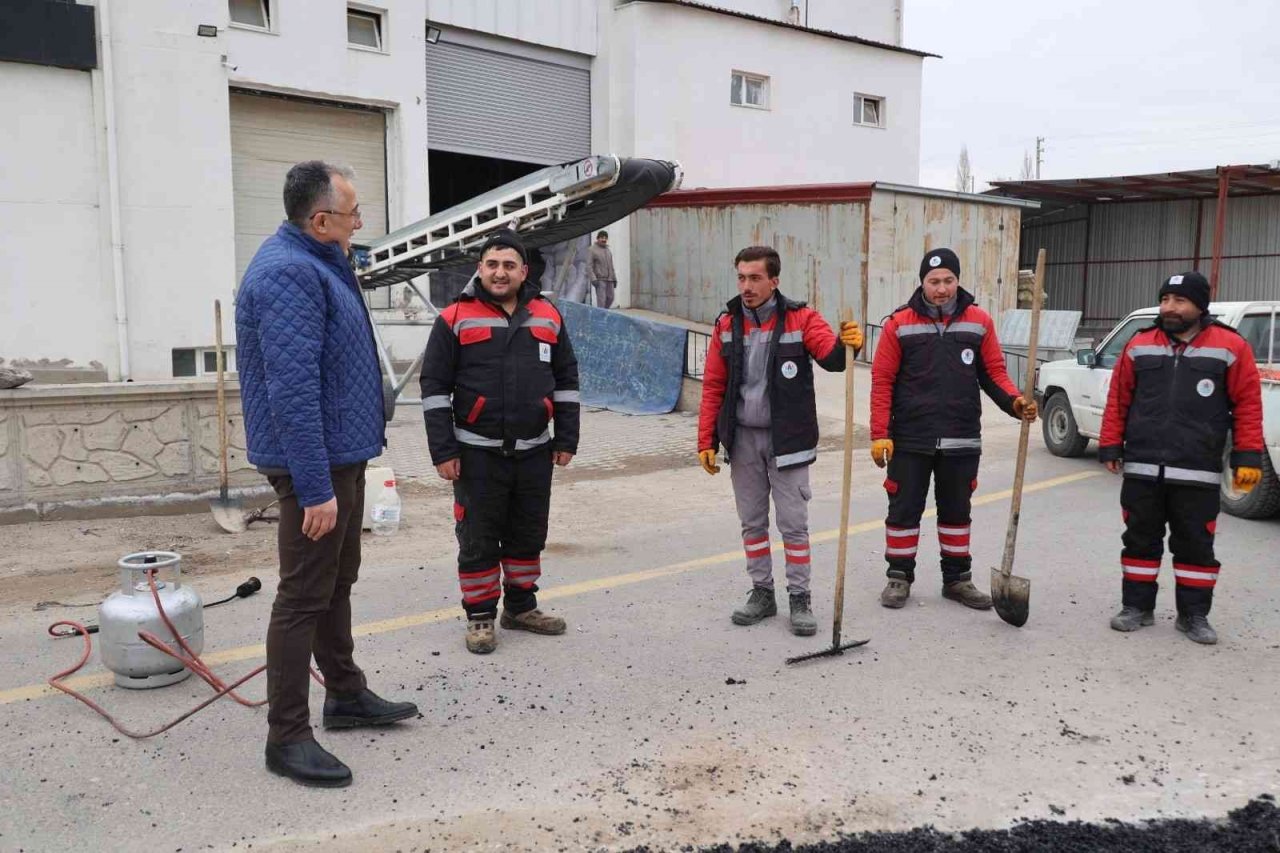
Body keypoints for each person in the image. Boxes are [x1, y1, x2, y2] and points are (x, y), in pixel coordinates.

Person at [236, 160, 417, 789]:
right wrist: (314, 487)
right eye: (352, 214)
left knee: (338, 577)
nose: (360, 223)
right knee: (302, 595)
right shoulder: (290, 273)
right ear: (320, 221)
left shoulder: (320, 261)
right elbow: (292, 390)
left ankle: (344, 694)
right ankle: (286, 736)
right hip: (314, 461)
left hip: (343, 451)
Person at [419, 230, 581, 654]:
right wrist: (443, 450)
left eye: (509, 265)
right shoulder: (454, 317)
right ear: (480, 269)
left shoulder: (548, 315)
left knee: (528, 532)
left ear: (523, 271)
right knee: (478, 536)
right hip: (476, 453)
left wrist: (566, 437)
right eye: (492, 264)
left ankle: (521, 607)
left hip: (534, 451)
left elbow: (566, 381)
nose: (500, 272)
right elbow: (435, 388)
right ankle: (480, 616)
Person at [697, 246, 863, 635]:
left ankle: (800, 599)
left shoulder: (801, 318)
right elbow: (713, 385)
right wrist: (707, 438)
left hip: (788, 440)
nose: (746, 286)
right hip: (742, 441)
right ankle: (762, 593)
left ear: (774, 280)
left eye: (755, 278)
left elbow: (832, 358)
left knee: (793, 525)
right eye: (741, 277)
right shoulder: (726, 324)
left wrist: (847, 344)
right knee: (752, 523)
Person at [1098, 271, 1264, 645]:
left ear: (1199, 306)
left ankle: (1194, 616)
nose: (1170, 308)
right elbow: (1119, 398)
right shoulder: (1140, 344)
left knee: (1195, 546)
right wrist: (1110, 444)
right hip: (1143, 466)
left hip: (1198, 469)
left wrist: (1247, 456)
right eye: (1166, 299)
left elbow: (1248, 405)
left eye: (1180, 301)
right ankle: (1137, 607)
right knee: (1140, 540)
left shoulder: (1230, 346)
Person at [869, 247, 1038, 611]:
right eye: (934, 282)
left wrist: (1015, 402)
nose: (941, 288)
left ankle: (957, 580)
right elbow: (882, 381)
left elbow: (994, 373)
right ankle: (898, 577)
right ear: (922, 283)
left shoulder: (979, 321)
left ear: (958, 281)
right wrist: (879, 433)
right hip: (911, 438)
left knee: (957, 512)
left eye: (948, 280)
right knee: (903, 511)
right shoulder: (898, 324)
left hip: (962, 437)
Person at [588, 230, 618, 309]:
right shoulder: (592, 250)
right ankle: (601, 315)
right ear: (597, 238)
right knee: (601, 301)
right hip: (600, 280)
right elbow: (588, 266)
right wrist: (593, 279)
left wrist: (614, 279)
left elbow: (611, 266)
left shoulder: (608, 250)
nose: (604, 239)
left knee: (611, 298)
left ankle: (604, 312)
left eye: (605, 238)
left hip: (610, 280)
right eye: (602, 238)